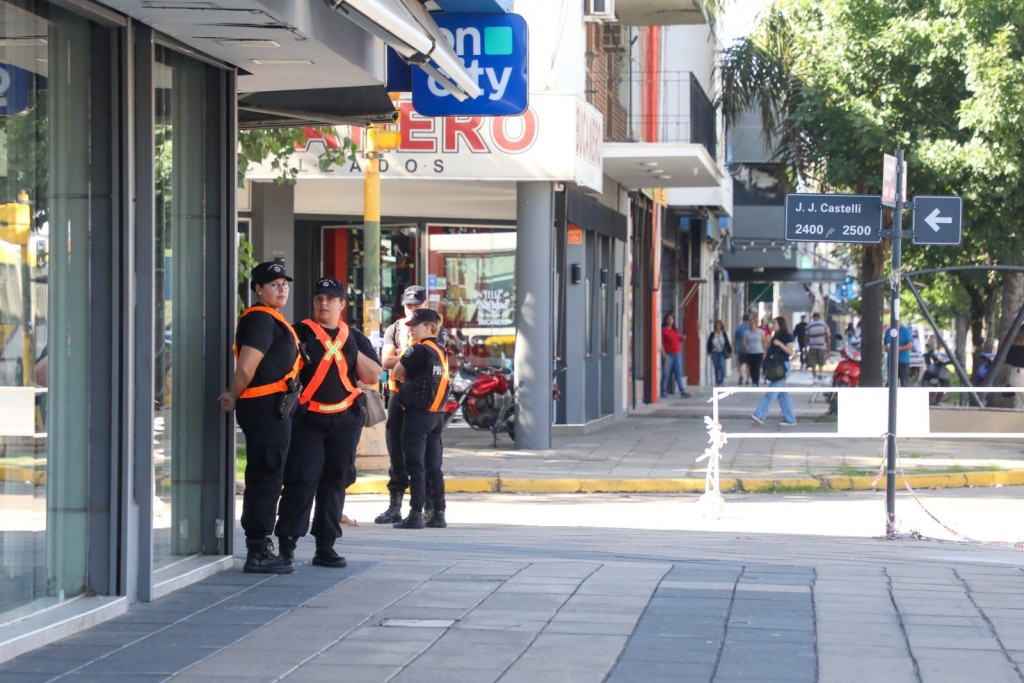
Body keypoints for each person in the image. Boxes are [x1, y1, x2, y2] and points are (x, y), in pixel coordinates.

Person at [275, 277, 382, 569]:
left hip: (345, 420)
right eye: (319, 298)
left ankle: (326, 545)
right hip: (309, 419)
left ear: (342, 305)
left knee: (335, 483)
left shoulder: (355, 337)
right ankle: (287, 545)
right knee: (301, 481)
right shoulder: (299, 332)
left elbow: (373, 376)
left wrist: (345, 345)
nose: (324, 304)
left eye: (330, 299)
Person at [218, 261, 300, 574]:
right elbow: (245, 368)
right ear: (258, 289)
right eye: (274, 284)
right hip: (265, 408)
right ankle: (258, 548)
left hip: (273, 408)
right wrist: (233, 394)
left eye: (284, 284)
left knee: (269, 474)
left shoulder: (272, 319)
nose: (282, 289)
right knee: (266, 476)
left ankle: (260, 544)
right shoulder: (260, 320)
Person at [375, 285, 447, 525]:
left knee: (420, 460)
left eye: (417, 306)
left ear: (425, 306)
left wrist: (407, 356)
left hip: (422, 404)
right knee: (398, 452)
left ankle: (422, 509)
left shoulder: (431, 334)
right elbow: (385, 361)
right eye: (409, 306)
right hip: (400, 398)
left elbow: (399, 366)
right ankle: (397, 505)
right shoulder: (395, 328)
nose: (412, 311)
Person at [390, 308, 450, 529]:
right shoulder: (441, 350)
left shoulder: (417, 350)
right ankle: (438, 513)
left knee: (414, 465)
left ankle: (415, 513)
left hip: (417, 415)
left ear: (428, 327)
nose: (411, 329)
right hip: (436, 416)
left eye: (415, 325)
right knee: (434, 467)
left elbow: (396, 372)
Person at [751, 316, 797, 426]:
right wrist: (768, 343)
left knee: (771, 392)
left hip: (783, 367)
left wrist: (780, 344)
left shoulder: (787, 336)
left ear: (780, 325)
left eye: (774, 323)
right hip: (775, 366)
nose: (773, 325)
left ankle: (760, 414)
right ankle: (790, 418)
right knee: (783, 395)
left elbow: (790, 352)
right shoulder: (775, 336)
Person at [661, 313, 691, 398]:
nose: (669, 320)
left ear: (673, 321)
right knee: (666, 373)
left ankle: (682, 390)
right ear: (665, 320)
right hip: (668, 354)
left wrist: (682, 338)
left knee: (679, 373)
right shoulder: (663, 330)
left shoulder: (675, 330)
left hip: (677, 353)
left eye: (671, 319)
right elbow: (661, 342)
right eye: (668, 318)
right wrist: (663, 352)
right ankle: (663, 390)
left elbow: (678, 340)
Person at [804, 312, 830, 381]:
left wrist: (806, 348)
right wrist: (828, 348)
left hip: (812, 347)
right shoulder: (824, 325)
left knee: (813, 363)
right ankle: (820, 374)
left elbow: (806, 338)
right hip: (821, 346)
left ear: (813, 317)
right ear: (819, 317)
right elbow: (827, 337)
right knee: (821, 362)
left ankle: (815, 377)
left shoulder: (809, 325)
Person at [706, 320, 732, 386]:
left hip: (722, 352)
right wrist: (709, 351)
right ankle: (717, 382)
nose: (718, 326)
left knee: (722, 366)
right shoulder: (712, 334)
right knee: (716, 367)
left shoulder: (724, 334)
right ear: (715, 326)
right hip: (714, 352)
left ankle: (721, 381)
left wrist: (730, 351)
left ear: (721, 326)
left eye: (719, 325)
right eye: (716, 325)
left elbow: (727, 343)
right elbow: (709, 343)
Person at [742, 313, 765, 386]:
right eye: (750, 324)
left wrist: (764, 351)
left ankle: (756, 381)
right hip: (750, 352)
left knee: (757, 367)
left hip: (759, 352)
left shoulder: (760, 332)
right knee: (751, 367)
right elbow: (744, 342)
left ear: (755, 324)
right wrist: (746, 347)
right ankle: (753, 380)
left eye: (752, 323)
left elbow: (763, 342)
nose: (751, 325)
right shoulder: (747, 332)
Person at [894, 322, 914, 386]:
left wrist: (898, 349)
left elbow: (910, 345)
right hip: (892, 361)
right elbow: (884, 344)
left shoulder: (906, 331)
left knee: (904, 382)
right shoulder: (889, 331)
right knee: (891, 382)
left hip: (903, 360)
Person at [733, 315, 751, 385]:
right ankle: (748, 379)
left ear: (742, 319)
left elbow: (735, 339)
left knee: (739, 364)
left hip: (740, 349)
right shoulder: (750, 327)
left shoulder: (739, 328)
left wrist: (735, 348)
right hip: (749, 350)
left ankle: (740, 375)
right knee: (748, 365)